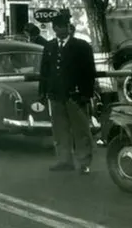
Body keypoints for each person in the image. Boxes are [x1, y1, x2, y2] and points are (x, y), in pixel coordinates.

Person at [38, 14, 96, 174]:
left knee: (80, 130)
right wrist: (43, 91)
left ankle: (84, 162)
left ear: (68, 27)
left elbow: (89, 72)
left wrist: (86, 94)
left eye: (63, 26)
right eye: (56, 26)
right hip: (56, 95)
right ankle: (64, 160)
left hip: (75, 95)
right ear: (54, 29)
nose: (59, 29)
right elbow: (44, 72)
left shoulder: (82, 46)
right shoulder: (49, 47)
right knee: (59, 129)